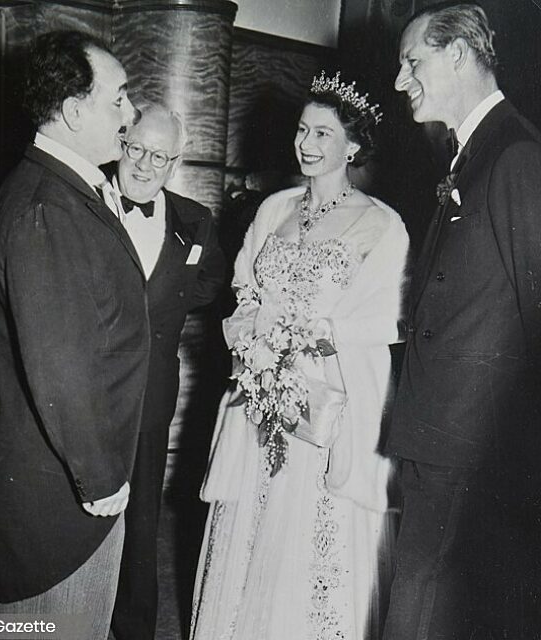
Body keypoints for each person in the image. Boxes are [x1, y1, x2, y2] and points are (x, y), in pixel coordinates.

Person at [189, 71, 409, 640]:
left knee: (307, 540)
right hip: (261, 400)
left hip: (325, 407)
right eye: (302, 130)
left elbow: (383, 321)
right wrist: (250, 339)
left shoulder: (382, 225)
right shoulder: (274, 209)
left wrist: (308, 339)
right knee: (249, 534)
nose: (306, 144)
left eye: (323, 134)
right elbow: (246, 292)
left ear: (353, 145)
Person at [0, 30, 149, 640]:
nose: (130, 114)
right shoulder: (47, 207)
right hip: (61, 493)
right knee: (57, 626)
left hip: (64, 470)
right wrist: (98, 480)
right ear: (74, 112)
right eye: (119, 99)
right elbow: (61, 366)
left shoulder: (62, 188)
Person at [384, 3, 541, 638]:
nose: (400, 82)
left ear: (458, 55)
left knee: (421, 598)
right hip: (444, 432)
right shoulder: (468, 154)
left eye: (411, 63)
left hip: (473, 444)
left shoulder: (515, 157)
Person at [110, 104, 225, 640]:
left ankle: (134, 628)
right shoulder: (87, 203)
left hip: (153, 389)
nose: (143, 165)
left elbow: (206, 285)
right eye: (136, 148)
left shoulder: (195, 218)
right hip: (85, 387)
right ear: (121, 142)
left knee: (142, 519)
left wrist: (164, 312)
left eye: (159, 156)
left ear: (175, 162)